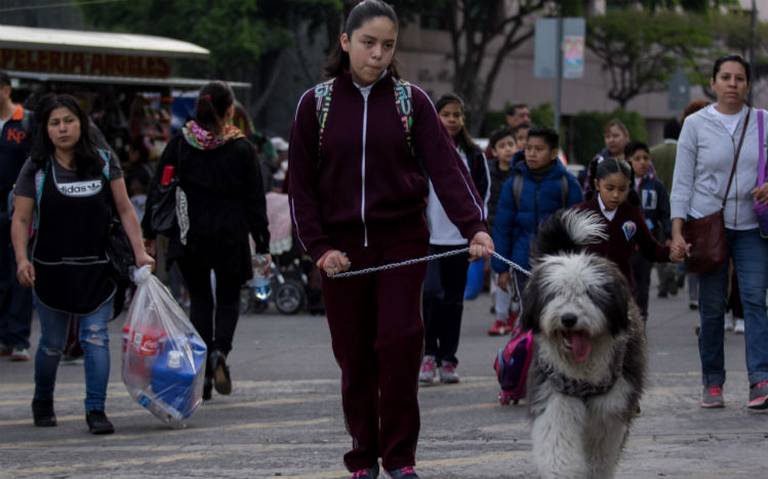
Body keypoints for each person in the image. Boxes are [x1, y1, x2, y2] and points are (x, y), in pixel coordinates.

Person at [288, 2, 494, 478]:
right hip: (340, 253)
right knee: (354, 357)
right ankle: (363, 457)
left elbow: (448, 170)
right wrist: (320, 249)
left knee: (400, 347)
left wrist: (475, 227)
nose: (377, 55)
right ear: (345, 42)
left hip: (401, 245)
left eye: (387, 45)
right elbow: (301, 187)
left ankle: (401, 458)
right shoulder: (314, 105)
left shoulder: (411, 102)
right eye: (368, 43)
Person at [11, 94, 154, 434]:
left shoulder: (105, 162)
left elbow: (123, 209)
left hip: (97, 269)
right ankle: (43, 400)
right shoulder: (37, 168)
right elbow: (20, 219)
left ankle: (96, 410)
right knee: (51, 344)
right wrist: (20, 259)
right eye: (55, 123)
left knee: (96, 338)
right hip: (50, 270)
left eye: (69, 121)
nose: (63, 129)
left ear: (82, 124)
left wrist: (140, 253)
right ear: (46, 130)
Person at [143, 81, 270, 402]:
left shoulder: (180, 144)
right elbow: (256, 201)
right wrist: (263, 243)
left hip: (191, 235)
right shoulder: (242, 148)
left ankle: (204, 370)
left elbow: (160, 188)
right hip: (231, 236)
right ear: (230, 111)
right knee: (228, 299)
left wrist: (148, 232)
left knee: (200, 300)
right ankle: (219, 354)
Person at [669, 54, 768, 410]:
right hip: (708, 224)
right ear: (713, 83)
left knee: (756, 300)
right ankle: (712, 382)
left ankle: (761, 380)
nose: (732, 84)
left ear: (747, 85)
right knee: (711, 308)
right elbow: (681, 182)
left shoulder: (762, 121)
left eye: (739, 78)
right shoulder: (695, 125)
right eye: (725, 77)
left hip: (752, 226)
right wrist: (677, 231)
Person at [419, 93, 490, 386]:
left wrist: (477, 232)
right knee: (430, 294)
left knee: (453, 301)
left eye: (456, 115)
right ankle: (428, 355)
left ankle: (448, 358)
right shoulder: (421, 150)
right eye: (445, 114)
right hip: (428, 239)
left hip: (460, 241)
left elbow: (482, 196)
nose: (451, 120)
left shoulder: (473, 155)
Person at [491, 127, 582, 308]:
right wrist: (501, 268)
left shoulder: (568, 184)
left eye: (538, 149)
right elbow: (502, 228)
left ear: (553, 153)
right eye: (528, 148)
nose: (531, 153)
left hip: (559, 264)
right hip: (521, 262)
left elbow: (578, 230)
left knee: (556, 314)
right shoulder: (514, 183)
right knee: (529, 315)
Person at [576, 157, 681, 289]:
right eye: (610, 188)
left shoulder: (632, 214)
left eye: (622, 189)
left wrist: (671, 254)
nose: (615, 195)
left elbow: (650, 248)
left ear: (629, 187)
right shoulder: (581, 213)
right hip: (588, 287)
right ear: (598, 185)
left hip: (622, 288)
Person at [0, 70, 34, 362]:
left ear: (6, 89)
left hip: (19, 206)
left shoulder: (27, 121)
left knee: (20, 268)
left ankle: (19, 337)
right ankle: (3, 336)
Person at [626, 141, 671, 321]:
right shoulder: (621, 184)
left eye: (645, 158)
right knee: (626, 280)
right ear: (628, 160)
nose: (642, 162)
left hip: (647, 240)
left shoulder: (656, 185)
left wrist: (668, 235)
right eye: (637, 159)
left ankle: (641, 317)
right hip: (626, 241)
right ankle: (625, 319)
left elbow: (665, 212)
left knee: (643, 281)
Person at [486, 126, 517, 336]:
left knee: (518, 275)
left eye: (511, 145)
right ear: (494, 151)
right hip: (496, 230)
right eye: (502, 146)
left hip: (518, 229)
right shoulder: (487, 171)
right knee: (501, 275)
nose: (507, 149)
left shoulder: (521, 171)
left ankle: (516, 312)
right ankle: (500, 318)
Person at [650, 119, 682, 299]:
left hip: (659, 204)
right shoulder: (683, 151)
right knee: (681, 241)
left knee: (661, 243)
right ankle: (678, 270)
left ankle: (663, 282)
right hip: (680, 204)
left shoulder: (654, 153)